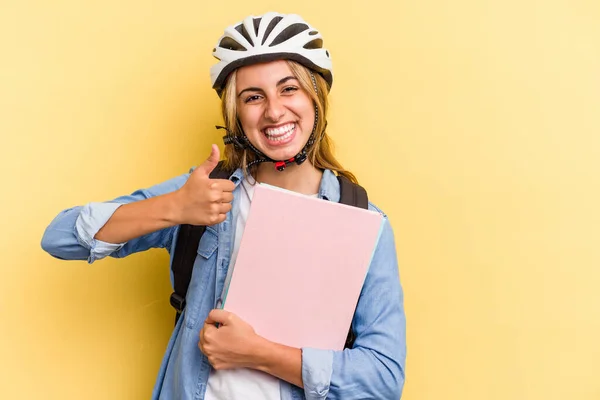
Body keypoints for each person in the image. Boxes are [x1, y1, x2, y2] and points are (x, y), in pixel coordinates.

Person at [41, 11, 407, 400]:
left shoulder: (364, 224)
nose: (273, 111)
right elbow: (60, 238)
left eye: (288, 89)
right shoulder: (203, 194)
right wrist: (176, 208)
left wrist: (260, 354)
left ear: (315, 99)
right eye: (253, 97)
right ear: (236, 114)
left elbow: (384, 378)